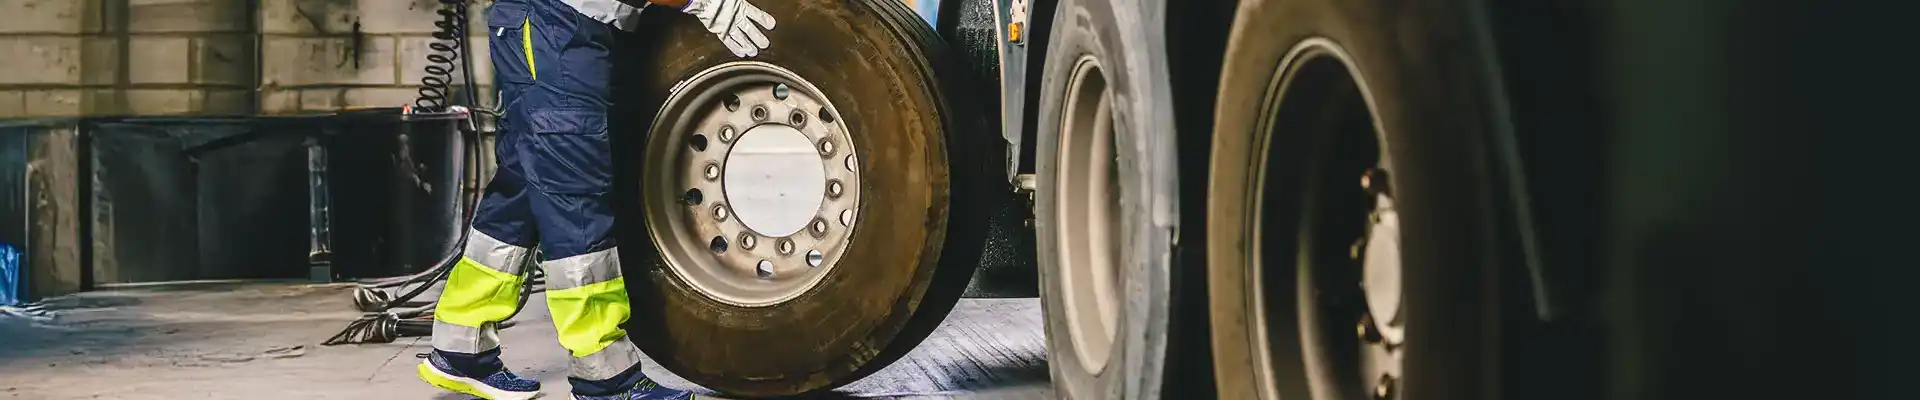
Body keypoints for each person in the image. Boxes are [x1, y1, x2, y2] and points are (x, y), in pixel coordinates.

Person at [416, 0, 774, 399]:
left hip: (555, 27)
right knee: (576, 195)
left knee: (523, 188)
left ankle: (461, 344)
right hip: (555, 29)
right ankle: (604, 374)